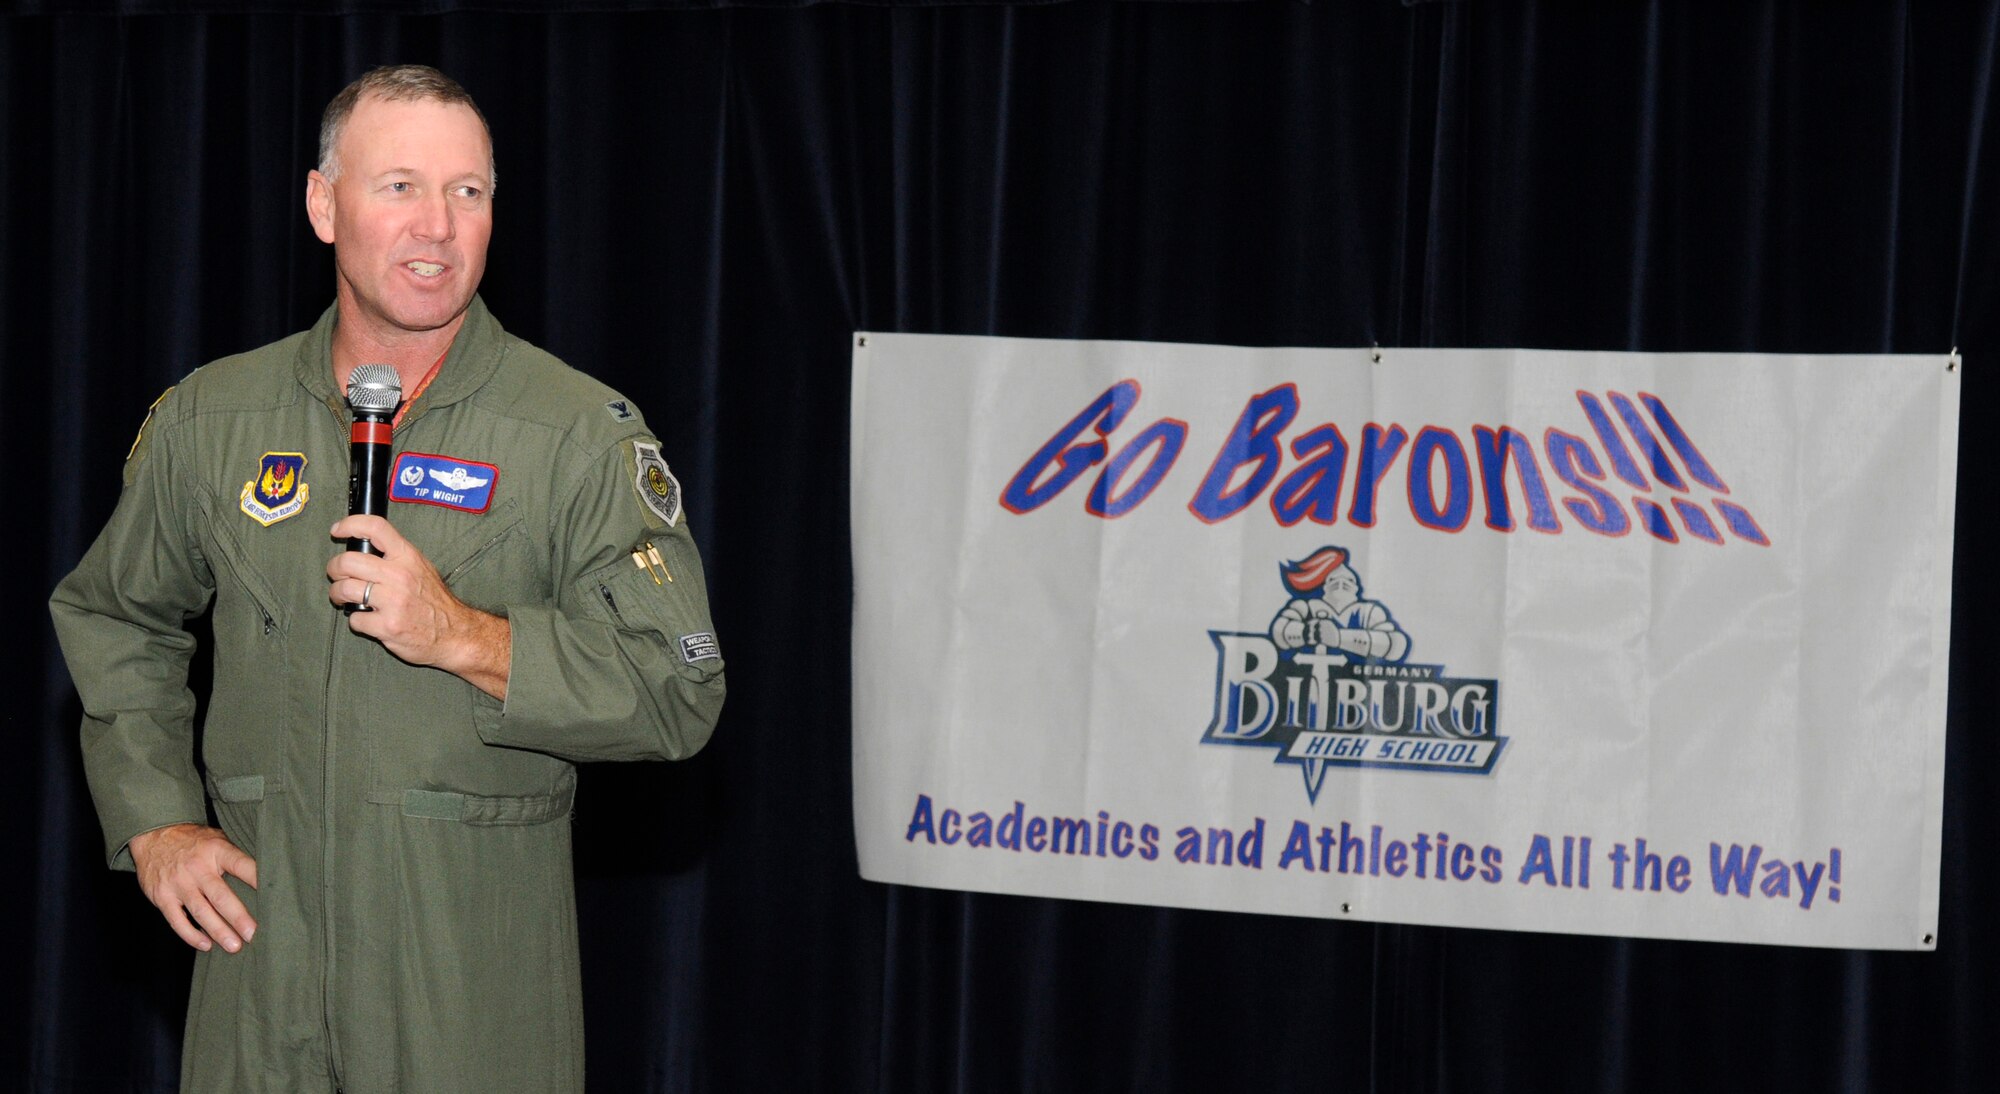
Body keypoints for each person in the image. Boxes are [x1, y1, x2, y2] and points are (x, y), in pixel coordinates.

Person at [48, 65, 725, 1093]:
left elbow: (680, 689)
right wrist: (156, 820)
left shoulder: (575, 434)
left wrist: (463, 633)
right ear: (324, 206)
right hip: (262, 970)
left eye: (468, 192)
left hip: (467, 984)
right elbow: (114, 614)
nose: (438, 226)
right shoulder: (212, 419)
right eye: (399, 185)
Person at [1267, 545, 1409, 663]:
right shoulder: (1307, 606)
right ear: (1325, 586)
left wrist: (1340, 638)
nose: (1341, 584)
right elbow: (1279, 631)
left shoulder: (1370, 612)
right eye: (1334, 580)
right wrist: (1306, 633)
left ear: (1356, 588)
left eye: (1348, 581)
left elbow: (1395, 645)